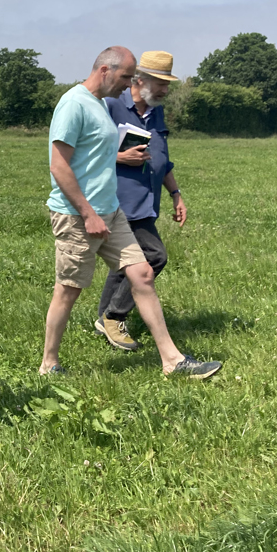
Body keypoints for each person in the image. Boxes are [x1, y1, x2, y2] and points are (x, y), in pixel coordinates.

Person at [40, 46, 220, 379]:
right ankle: (49, 363)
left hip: (111, 211)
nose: (128, 84)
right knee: (68, 289)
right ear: (105, 70)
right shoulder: (73, 104)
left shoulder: (97, 105)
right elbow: (58, 165)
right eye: (125, 77)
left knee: (144, 275)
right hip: (78, 215)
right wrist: (87, 212)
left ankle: (172, 361)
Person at [96, 51, 186, 351]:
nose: (165, 90)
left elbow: (163, 159)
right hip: (119, 200)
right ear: (139, 79)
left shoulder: (156, 112)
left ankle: (103, 320)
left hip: (147, 201)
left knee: (125, 262)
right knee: (154, 256)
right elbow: (88, 152)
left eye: (167, 84)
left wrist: (175, 194)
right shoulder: (110, 106)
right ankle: (114, 316)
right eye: (160, 82)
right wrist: (119, 156)